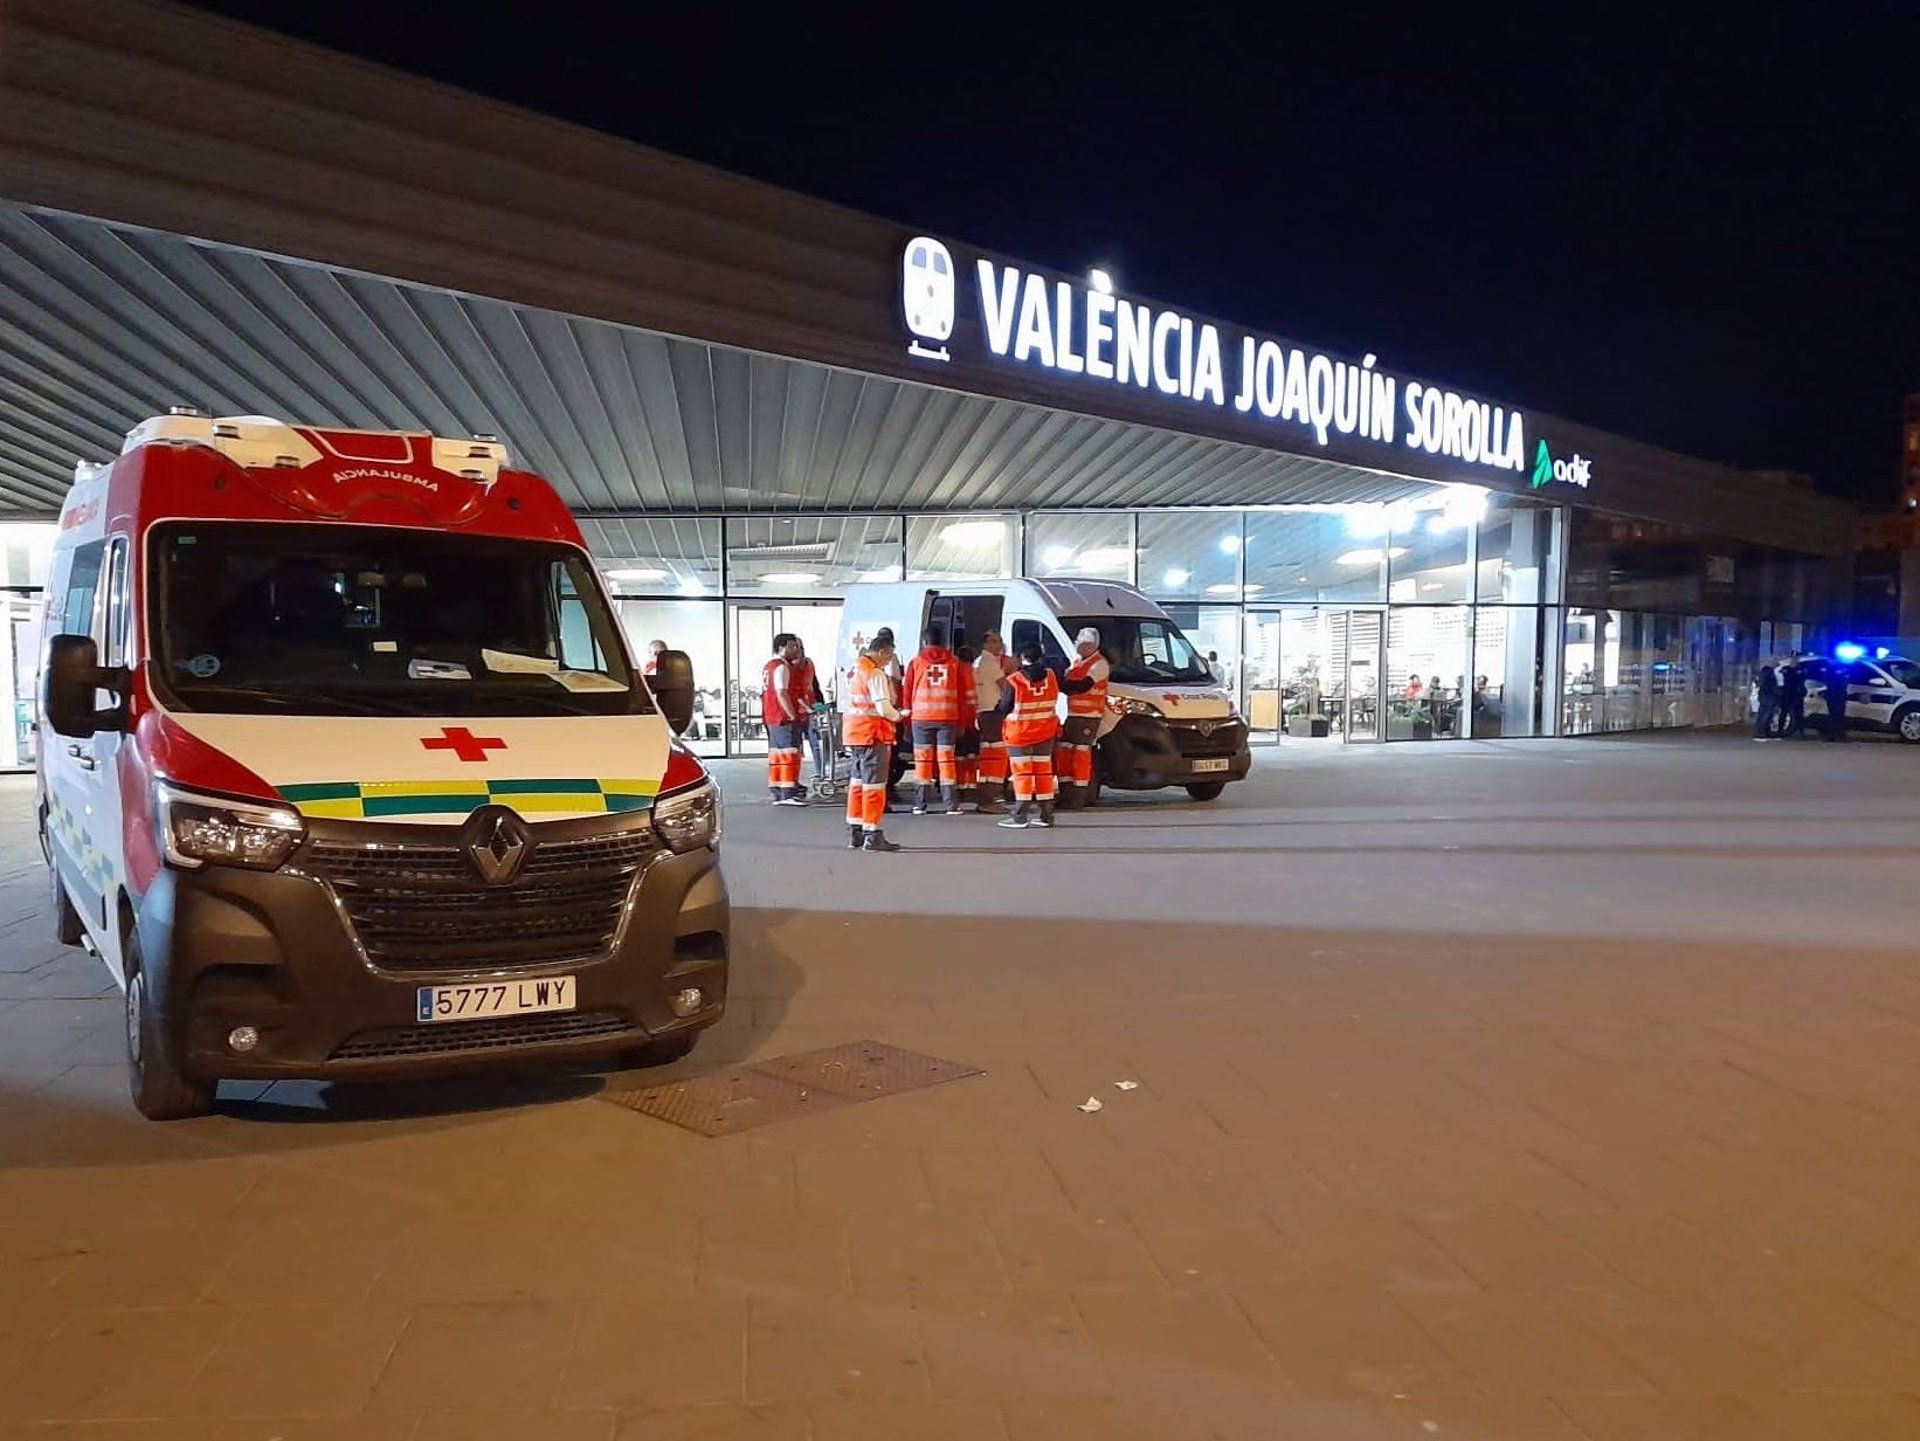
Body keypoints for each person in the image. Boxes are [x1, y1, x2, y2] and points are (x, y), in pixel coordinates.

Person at [995, 641, 1096, 829]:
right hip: (1045, 734)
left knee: (1023, 774)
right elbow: (1075, 687)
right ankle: (1046, 815)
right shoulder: (1051, 676)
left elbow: (1004, 708)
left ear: (1021, 658)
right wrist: (1093, 679)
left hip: (1020, 735)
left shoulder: (1015, 681)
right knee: (1043, 774)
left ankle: (1020, 815)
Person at [904, 624, 973, 815]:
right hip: (947, 718)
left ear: (925, 642)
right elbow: (961, 695)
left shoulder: (916, 663)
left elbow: (907, 693)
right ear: (944, 642)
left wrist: (906, 722)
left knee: (923, 761)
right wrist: (963, 721)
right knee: (946, 761)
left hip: (920, 719)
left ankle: (920, 804)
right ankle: (951, 804)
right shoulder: (954, 663)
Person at [843, 634, 903, 851]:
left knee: (857, 783)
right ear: (881, 652)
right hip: (872, 733)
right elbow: (883, 708)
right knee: (874, 786)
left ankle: (855, 831)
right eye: (889, 656)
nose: (888, 661)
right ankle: (873, 833)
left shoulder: (855, 670)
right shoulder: (875, 673)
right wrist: (898, 715)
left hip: (854, 734)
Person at [1057, 627, 1111, 809]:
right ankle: (1066, 793)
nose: (1076, 645)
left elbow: (1082, 686)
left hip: (1088, 717)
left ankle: (1078, 797)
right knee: (1065, 753)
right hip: (1074, 716)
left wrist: (1058, 683)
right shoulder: (1077, 662)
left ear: (1090, 645)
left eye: (1080, 643)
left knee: (1080, 756)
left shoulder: (1099, 664)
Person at [760, 633, 810, 804]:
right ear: (782, 648)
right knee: (789, 754)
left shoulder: (769, 666)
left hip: (771, 717)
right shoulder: (782, 667)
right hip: (782, 718)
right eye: (792, 646)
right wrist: (792, 715)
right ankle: (788, 791)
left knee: (777, 754)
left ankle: (777, 787)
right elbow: (782, 693)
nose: (796, 650)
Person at [970, 630, 1013, 812]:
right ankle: (991, 798)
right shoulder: (989, 661)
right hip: (992, 711)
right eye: (995, 641)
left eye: (1000, 641)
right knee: (996, 755)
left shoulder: (978, 661)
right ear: (986, 644)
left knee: (988, 754)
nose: (999, 645)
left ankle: (987, 796)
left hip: (982, 711)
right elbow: (1005, 685)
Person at [1777, 655, 1807, 738]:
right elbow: (1780, 675)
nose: (1795, 660)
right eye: (1793, 658)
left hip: (1797, 695)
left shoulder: (1801, 669)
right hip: (1787, 694)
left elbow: (1803, 679)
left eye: (1796, 658)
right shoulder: (1786, 669)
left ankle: (1800, 732)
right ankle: (1780, 731)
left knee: (1799, 714)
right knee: (1784, 713)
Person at [1822, 662, 1851, 742]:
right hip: (1833, 695)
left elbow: (1847, 681)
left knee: (1839, 715)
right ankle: (1832, 735)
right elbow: (1828, 682)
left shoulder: (1845, 669)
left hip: (1840, 695)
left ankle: (1839, 734)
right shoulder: (1830, 670)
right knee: (1833, 715)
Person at [1752, 660, 1779, 741]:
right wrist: (1772, 692)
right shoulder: (1767, 672)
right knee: (1765, 715)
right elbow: (1766, 685)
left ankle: (1766, 732)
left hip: (1767, 695)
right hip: (1767, 696)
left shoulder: (1768, 672)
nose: (1777, 664)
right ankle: (1760, 733)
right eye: (1776, 662)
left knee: (1768, 715)